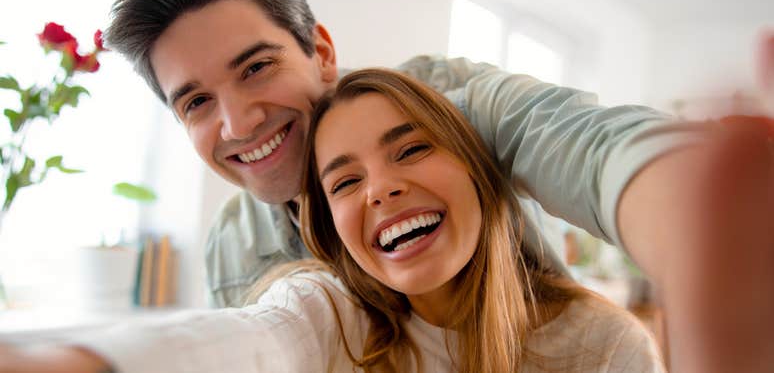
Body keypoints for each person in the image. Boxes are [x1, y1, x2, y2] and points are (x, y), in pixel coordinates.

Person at [0, 68, 667, 372]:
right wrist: (75, 362)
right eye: (345, 181)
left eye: (410, 149)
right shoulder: (332, 317)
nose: (381, 189)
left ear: (478, 171)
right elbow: (251, 341)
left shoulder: (602, 348)